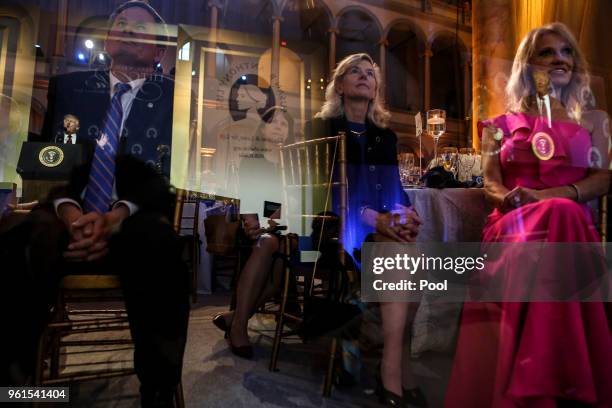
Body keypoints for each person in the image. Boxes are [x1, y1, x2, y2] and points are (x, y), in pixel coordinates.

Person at [1, 1, 190, 405]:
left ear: (160, 51)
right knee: (22, 237)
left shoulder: (176, 100)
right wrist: (71, 212)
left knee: (163, 247)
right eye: (121, 24)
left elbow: (169, 176)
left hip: (133, 218)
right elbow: (50, 160)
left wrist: (115, 216)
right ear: (107, 39)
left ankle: (157, 391)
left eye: (143, 28)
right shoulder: (69, 88)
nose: (129, 30)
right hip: (67, 215)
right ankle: (15, 387)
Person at [445, 22, 612, 407]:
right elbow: (490, 185)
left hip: (569, 222)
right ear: (528, 65)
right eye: (547, 52)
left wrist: (552, 196)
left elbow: (603, 179)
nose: (559, 59)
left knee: (561, 216)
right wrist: (511, 201)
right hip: (512, 223)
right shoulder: (498, 126)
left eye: (566, 52)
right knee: (546, 230)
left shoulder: (596, 119)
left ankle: (534, 383)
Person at [309, 53, 425, 407]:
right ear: (340, 86)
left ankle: (389, 365)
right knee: (402, 256)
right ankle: (394, 371)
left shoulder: (385, 137)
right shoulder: (322, 128)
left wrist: (406, 212)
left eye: (370, 74)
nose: (363, 77)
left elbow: (394, 189)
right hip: (331, 230)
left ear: (375, 89)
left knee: (411, 254)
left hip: (373, 231)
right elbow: (321, 191)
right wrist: (373, 218)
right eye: (354, 72)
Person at [211, 106, 293, 359]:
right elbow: (250, 200)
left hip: (287, 227)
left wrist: (278, 214)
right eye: (273, 122)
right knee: (267, 243)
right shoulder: (252, 161)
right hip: (259, 227)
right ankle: (239, 327)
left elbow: (298, 201)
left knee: (278, 280)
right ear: (263, 128)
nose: (279, 126)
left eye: (284, 123)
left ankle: (235, 317)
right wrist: (254, 221)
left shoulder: (294, 162)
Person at [212, 74, 276, 195]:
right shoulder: (227, 127)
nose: (236, 99)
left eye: (241, 96)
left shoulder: (268, 164)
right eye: (237, 95)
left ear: (254, 100)